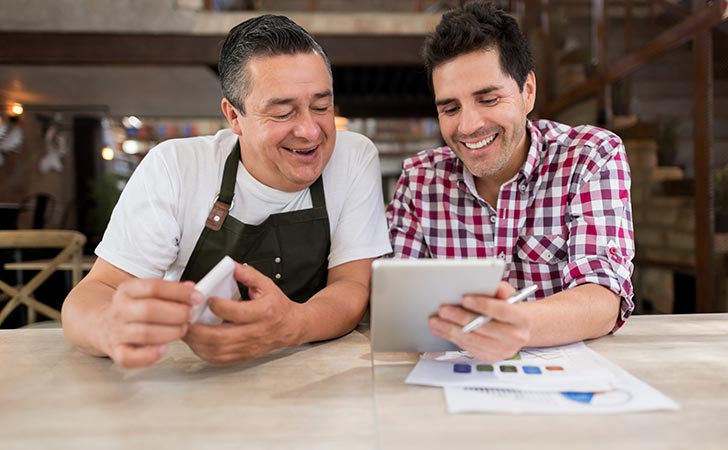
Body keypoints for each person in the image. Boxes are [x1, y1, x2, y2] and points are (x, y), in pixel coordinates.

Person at [62, 14, 392, 368]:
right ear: (234, 116)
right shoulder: (175, 167)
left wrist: (292, 326)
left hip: (313, 375)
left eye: (321, 107)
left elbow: (352, 287)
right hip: (194, 376)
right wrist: (109, 328)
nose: (311, 132)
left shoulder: (353, 157)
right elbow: (96, 292)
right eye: (283, 113)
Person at [386, 0, 634, 362]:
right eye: (450, 109)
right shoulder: (419, 180)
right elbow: (398, 309)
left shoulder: (590, 156)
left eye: (488, 99)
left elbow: (602, 297)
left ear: (527, 91)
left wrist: (520, 325)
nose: (468, 126)